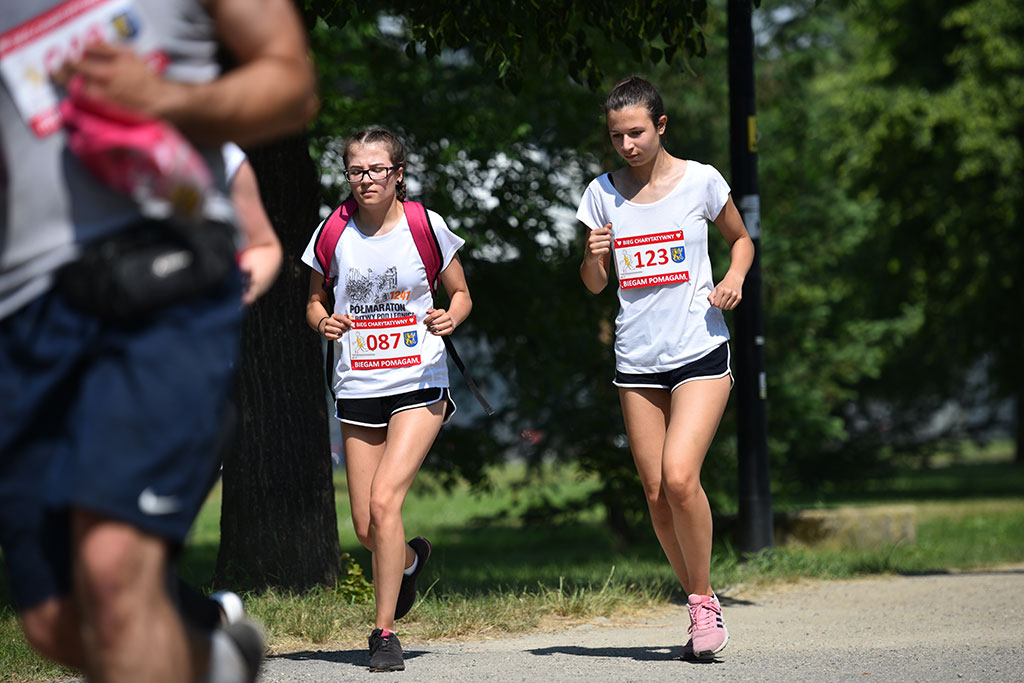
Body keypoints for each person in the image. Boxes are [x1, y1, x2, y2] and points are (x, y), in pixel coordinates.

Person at [0, 2, 316, 682]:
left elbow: (292, 82)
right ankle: (216, 660)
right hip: (23, 308)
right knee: (55, 620)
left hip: (164, 273)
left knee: (112, 571)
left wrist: (166, 98)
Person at [576, 76, 754, 660]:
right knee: (655, 495)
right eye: (616, 136)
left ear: (661, 126)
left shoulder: (701, 180)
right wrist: (594, 258)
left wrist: (733, 277)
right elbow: (595, 285)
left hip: (699, 349)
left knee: (679, 477)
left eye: (636, 132)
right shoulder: (601, 194)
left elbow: (741, 240)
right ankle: (699, 598)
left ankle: (702, 602)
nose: (626, 145)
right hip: (637, 359)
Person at [301, 128, 472, 673]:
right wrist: (323, 322)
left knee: (384, 503)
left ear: (399, 173)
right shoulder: (333, 230)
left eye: (377, 169)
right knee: (365, 527)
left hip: (419, 379)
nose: (366, 179)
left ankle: (384, 632)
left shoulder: (425, 225)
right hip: (358, 383)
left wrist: (450, 317)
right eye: (356, 170)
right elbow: (314, 300)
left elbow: (461, 293)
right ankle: (411, 559)